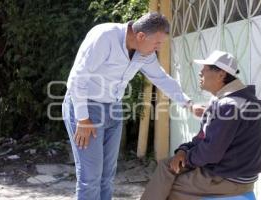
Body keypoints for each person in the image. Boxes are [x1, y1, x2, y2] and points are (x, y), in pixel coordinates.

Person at [62, 12, 200, 200]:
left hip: (114, 109)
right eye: (157, 43)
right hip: (86, 108)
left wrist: (189, 104)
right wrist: (83, 119)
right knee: (90, 177)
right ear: (141, 36)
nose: (158, 48)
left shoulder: (144, 51)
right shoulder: (104, 36)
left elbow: (161, 78)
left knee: (107, 176)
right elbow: (78, 78)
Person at [140, 50, 261, 200]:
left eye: (205, 69)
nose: (200, 73)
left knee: (166, 187)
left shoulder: (230, 105)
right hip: (225, 168)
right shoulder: (224, 99)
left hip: (230, 177)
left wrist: (186, 158)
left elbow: (211, 152)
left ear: (221, 74)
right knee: (165, 167)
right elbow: (203, 138)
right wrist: (183, 150)